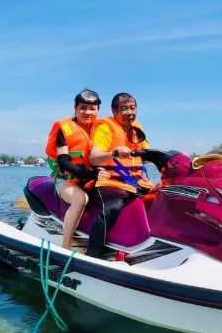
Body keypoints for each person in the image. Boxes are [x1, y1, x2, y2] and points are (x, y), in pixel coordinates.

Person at [86, 92, 153, 258]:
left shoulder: (137, 128)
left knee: (163, 198)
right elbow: (94, 158)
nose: (129, 112)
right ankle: (92, 255)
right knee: (113, 207)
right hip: (111, 183)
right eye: (124, 109)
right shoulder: (105, 127)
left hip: (138, 183)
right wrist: (114, 153)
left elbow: (147, 153)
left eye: (132, 108)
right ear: (114, 111)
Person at [44, 89, 109, 251]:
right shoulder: (64, 129)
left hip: (90, 180)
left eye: (92, 109)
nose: (87, 112)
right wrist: (92, 174)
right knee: (81, 200)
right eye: (83, 108)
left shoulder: (101, 129)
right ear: (75, 108)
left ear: (98, 110)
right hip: (66, 181)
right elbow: (64, 163)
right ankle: (65, 247)